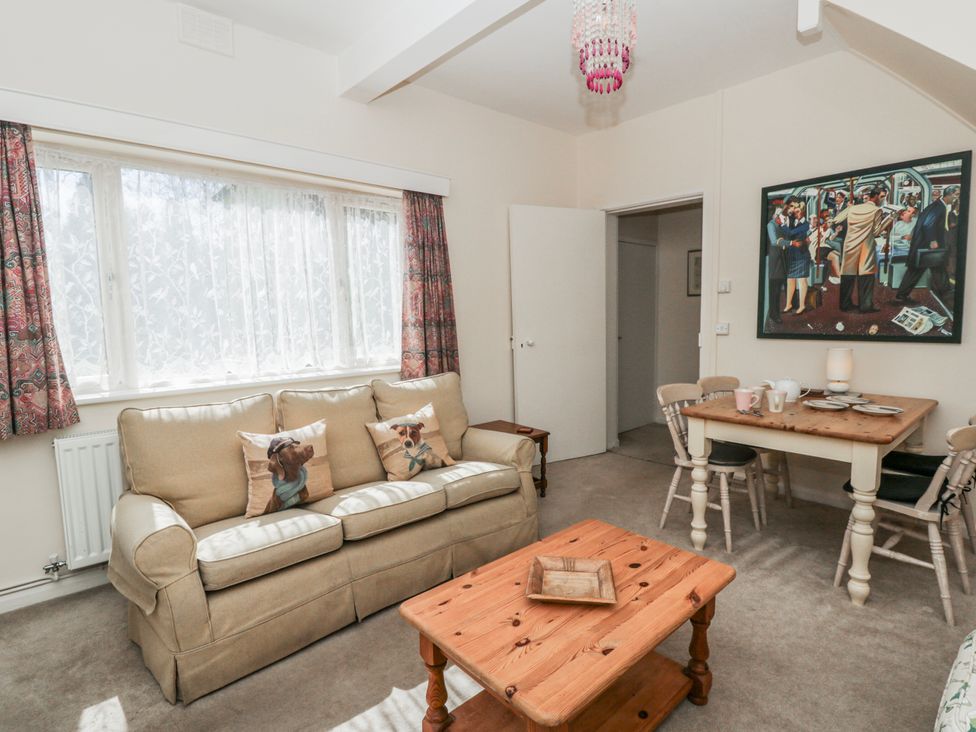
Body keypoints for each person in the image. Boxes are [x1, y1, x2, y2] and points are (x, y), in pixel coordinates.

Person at [894, 185, 960, 305]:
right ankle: (901, 296)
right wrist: (933, 241)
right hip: (926, 245)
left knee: (936, 268)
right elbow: (928, 224)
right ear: (949, 195)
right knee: (918, 270)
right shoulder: (938, 207)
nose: (957, 197)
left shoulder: (938, 206)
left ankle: (946, 293)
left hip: (924, 245)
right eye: (956, 195)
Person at [831, 186, 885, 312]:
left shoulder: (853, 208)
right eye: (882, 196)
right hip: (865, 246)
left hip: (849, 244)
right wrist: (889, 220)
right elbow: (876, 232)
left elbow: (836, 220)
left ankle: (845, 304)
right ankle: (865, 306)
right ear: (875, 196)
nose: (882, 199)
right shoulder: (877, 211)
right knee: (865, 275)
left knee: (847, 275)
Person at [783, 201, 812, 314]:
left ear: (803, 212)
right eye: (795, 212)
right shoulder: (791, 221)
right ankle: (788, 304)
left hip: (802, 255)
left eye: (798, 211)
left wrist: (782, 225)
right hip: (792, 254)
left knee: (802, 280)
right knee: (790, 279)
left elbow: (790, 233)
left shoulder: (805, 224)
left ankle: (802, 305)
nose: (796, 214)